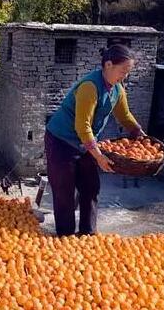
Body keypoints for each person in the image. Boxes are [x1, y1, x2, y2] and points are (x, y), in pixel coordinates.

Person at [45, 44, 145, 236]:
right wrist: (99, 156)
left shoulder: (117, 89)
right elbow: (82, 126)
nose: (125, 76)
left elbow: (124, 115)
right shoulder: (90, 87)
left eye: (128, 72)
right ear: (108, 64)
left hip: (85, 143)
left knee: (90, 187)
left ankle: (88, 234)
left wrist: (140, 133)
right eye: (123, 70)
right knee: (64, 191)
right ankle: (65, 237)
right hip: (61, 141)